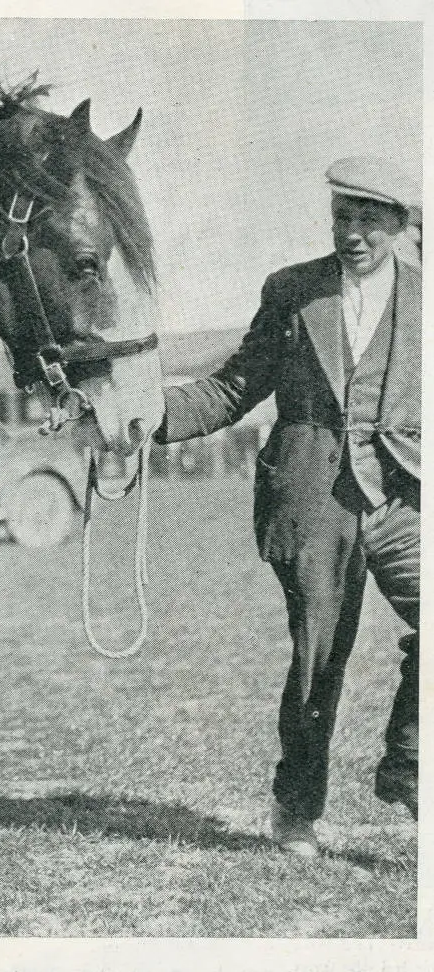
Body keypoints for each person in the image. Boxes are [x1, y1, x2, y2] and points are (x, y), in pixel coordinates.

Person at [155, 158, 420, 856]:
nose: (353, 233)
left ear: (398, 225)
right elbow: (232, 387)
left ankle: (409, 767)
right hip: (309, 497)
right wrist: (144, 416)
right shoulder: (292, 291)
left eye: (368, 220)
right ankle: (296, 809)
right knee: (318, 658)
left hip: (401, 497)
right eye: (343, 217)